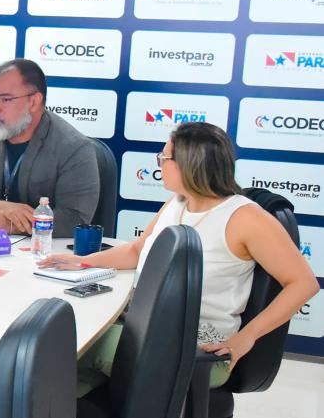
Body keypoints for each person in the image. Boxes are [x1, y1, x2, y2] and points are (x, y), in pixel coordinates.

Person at [39, 122, 317, 392]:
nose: (159, 164)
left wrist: (245, 338)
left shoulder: (246, 218)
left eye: (164, 158)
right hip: (145, 324)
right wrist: (82, 261)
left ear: (190, 163)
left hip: (198, 347)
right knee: (62, 370)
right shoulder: (177, 203)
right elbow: (137, 251)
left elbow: (304, 283)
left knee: (75, 343)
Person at [0, 58, 98, 237]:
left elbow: (75, 219)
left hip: (45, 250)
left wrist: (10, 225)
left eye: (5, 99)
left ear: (34, 102)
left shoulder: (74, 149)